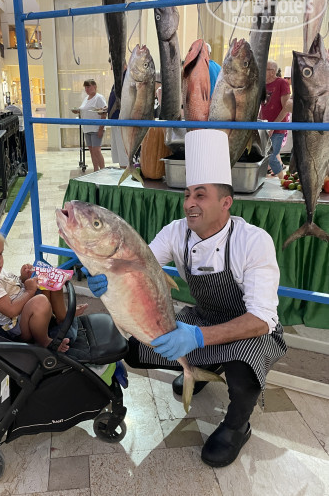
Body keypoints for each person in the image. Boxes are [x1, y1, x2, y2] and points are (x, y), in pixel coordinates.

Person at [83, 129, 286, 468]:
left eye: (201, 195)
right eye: (188, 194)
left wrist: (197, 337)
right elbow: (138, 267)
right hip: (204, 316)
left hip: (251, 330)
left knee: (244, 370)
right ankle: (202, 366)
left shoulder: (253, 241)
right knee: (135, 350)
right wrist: (106, 276)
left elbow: (262, 319)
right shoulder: (176, 232)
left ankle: (237, 425)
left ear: (226, 203)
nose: (190, 202)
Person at [0, 226, 87, 352]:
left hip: (23, 312)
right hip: (18, 326)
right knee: (39, 301)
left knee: (50, 281)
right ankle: (44, 341)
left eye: (0, 254)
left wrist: (22, 278)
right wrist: (29, 291)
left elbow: (11, 289)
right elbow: (11, 310)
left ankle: (62, 316)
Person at [260, 60, 291, 179]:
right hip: (264, 126)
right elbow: (263, 107)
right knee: (263, 155)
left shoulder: (282, 83)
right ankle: (262, 179)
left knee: (272, 156)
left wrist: (274, 125)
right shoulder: (262, 85)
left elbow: (286, 108)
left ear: (272, 71)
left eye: (265, 69)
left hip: (278, 127)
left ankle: (282, 179)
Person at [72, 79, 107, 172]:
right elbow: (84, 110)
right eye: (85, 87)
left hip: (96, 128)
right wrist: (78, 111)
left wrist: (101, 129)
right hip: (87, 129)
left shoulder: (99, 98)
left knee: (96, 150)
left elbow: (104, 113)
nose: (86, 89)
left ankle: (102, 170)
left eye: (88, 87)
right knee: (92, 151)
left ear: (94, 86)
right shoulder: (86, 99)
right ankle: (95, 170)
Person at [108, 62, 128, 169]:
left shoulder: (127, 77)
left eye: (113, 65)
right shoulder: (119, 79)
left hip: (123, 121)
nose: (111, 68)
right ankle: (122, 172)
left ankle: (126, 175)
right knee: (120, 155)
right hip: (116, 120)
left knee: (124, 156)